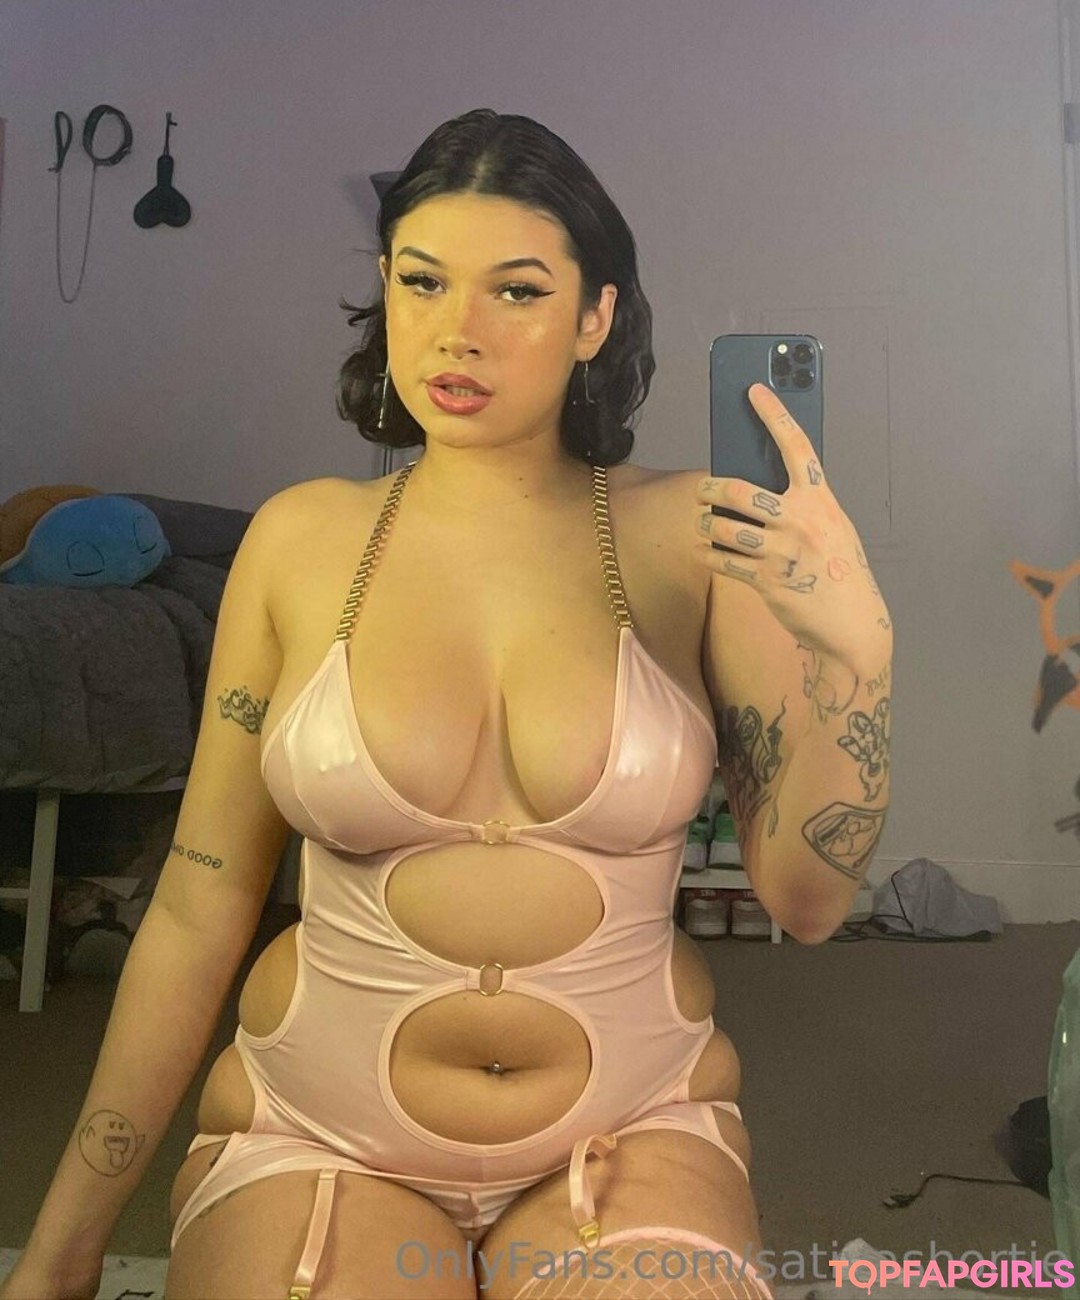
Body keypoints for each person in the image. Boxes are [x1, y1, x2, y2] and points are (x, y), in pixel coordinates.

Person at [3, 109, 892, 1300]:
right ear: (385, 287)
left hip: (629, 1132)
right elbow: (197, 902)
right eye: (423, 280)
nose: (457, 330)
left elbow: (810, 901)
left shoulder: (699, 536)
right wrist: (61, 1247)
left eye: (517, 291)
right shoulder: (299, 540)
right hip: (318, 1136)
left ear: (595, 317)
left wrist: (856, 658)